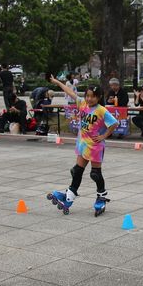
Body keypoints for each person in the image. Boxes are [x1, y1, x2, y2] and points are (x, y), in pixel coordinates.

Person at [46, 77, 119, 215]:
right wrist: (57, 82)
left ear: (99, 97)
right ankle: (70, 194)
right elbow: (70, 92)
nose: (89, 99)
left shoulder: (101, 110)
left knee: (95, 174)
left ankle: (101, 196)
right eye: (88, 96)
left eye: (93, 96)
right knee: (77, 171)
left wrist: (104, 136)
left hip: (95, 146)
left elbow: (114, 123)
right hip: (83, 144)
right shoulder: (82, 103)